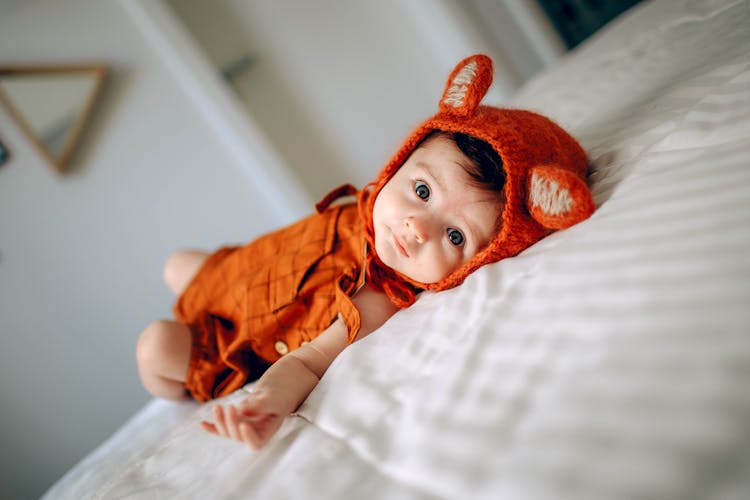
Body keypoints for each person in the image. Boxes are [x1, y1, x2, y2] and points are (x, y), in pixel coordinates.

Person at [136, 54, 595, 449]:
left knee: (156, 345)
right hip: (234, 271)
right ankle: (197, 282)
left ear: (480, 260)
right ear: (398, 163)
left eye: (454, 236)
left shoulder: (375, 298)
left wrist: (266, 404)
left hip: (226, 335)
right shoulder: (369, 207)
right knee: (177, 263)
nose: (417, 228)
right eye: (421, 190)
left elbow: (307, 362)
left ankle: (178, 379)